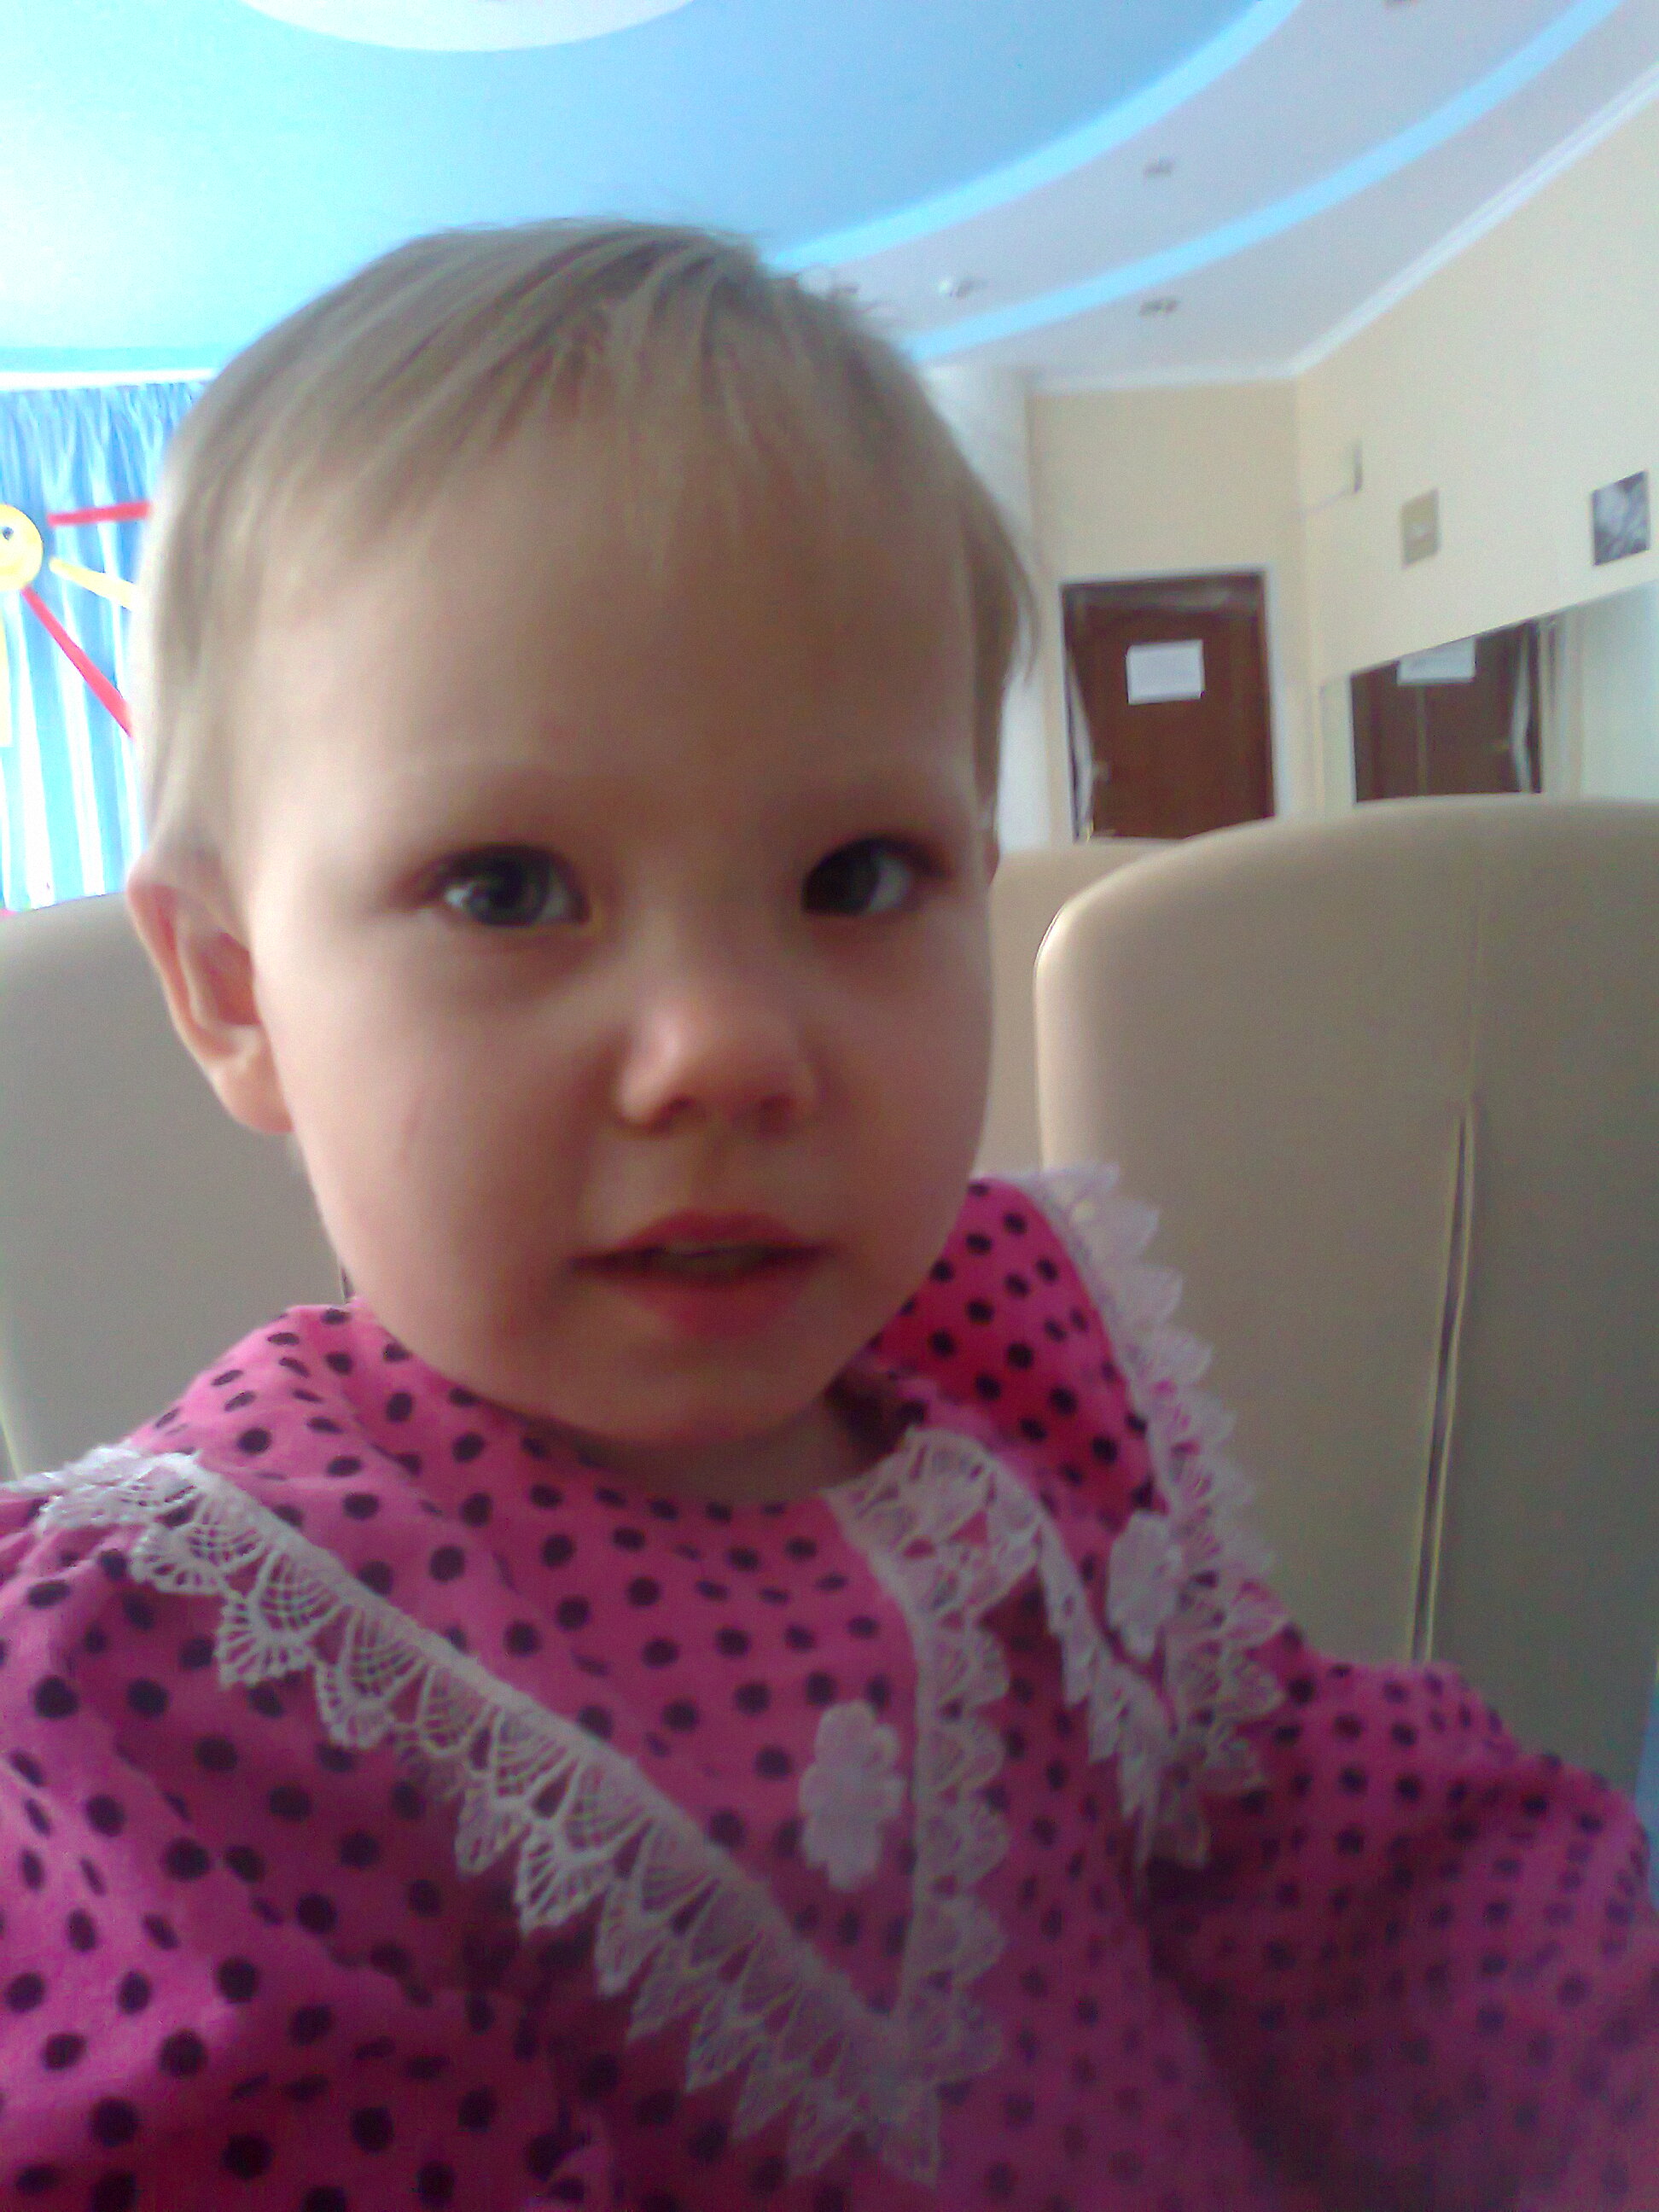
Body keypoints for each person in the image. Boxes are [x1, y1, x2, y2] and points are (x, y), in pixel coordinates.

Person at [0, 224, 1654, 2212]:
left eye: (857, 876)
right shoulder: (181, 1697)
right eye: (510, 889)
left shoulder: (1021, 1388)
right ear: (235, 988)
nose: (723, 1050)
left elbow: (1339, 1862)